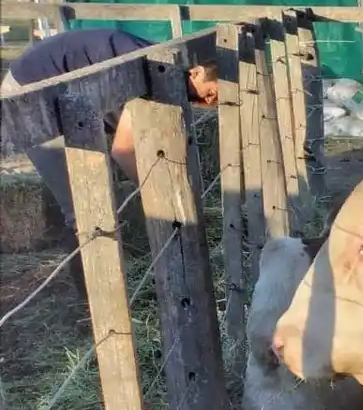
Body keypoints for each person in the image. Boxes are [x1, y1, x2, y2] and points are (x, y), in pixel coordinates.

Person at [0, 27, 219, 268]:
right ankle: (93, 296)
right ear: (196, 72)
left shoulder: (166, 68)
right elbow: (123, 151)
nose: (208, 103)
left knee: (98, 197)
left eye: (215, 102)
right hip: (32, 92)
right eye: (210, 93)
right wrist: (161, 197)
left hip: (70, 93)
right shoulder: (154, 72)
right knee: (85, 209)